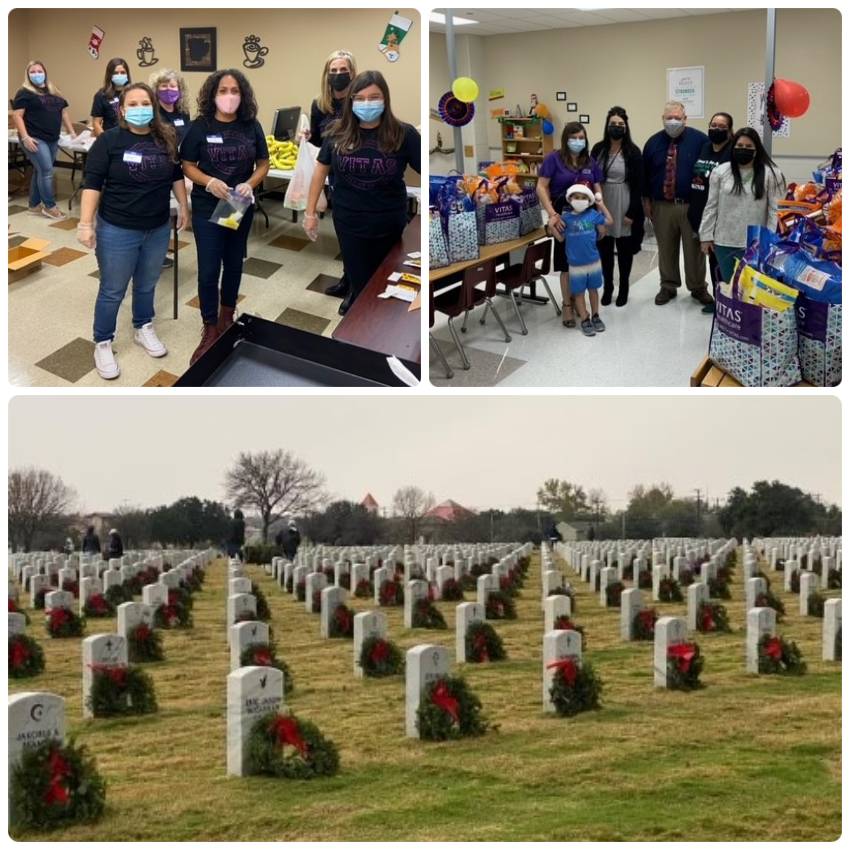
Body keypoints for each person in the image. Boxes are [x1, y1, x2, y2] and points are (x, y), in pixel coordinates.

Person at [77, 83, 189, 380]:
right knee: (113, 290)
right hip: (117, 229)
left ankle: (143, 326)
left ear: (153, 108)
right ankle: (102, 341)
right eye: (134, 104)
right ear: (123, 110)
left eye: (145, 103)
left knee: (147, 283)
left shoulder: (165, 138)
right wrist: (85, 223)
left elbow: (176, 174)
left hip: (156, 227)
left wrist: (184, 206)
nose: (141, 108)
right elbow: (92, 183)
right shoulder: (109, 141)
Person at [304, 70, 420, 315]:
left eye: (374, 97)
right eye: (360, 98)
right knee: (358, 277)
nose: (367, 103)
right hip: (349, 221)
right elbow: (320, 172)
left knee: (384, 280)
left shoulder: (404, 133)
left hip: (388, 222)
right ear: (351, 101)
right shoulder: (337, 133)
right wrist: (310, 212)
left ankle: (378, 326)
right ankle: (360, 320)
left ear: (385, 99)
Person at [181, 69, 270, 364]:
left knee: (233, 264)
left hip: (237, 204)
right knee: (208, 269)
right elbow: (187, 165)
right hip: (208, 205)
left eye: (234, 91)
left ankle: (227, 317)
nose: (229, 96)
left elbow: (263, 163)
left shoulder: (250, 125)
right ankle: (209, 327)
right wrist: (207, 181)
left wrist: (250, 183)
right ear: (212, 94)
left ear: (242, 96)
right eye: (223, 91)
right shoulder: (199, 127)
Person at [642, 101, 713, 307]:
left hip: (692, 205)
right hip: (662, 206)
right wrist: (646, 201)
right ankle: (668, 285)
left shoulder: (701, 141)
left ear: (685, 119)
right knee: (666, 248)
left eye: (677, 117)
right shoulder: (652, 143)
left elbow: (709, 172)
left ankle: (698, 287)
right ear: (662, 119)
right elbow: (646, 175)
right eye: (669, 118)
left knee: (695, 251)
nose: (673, 121)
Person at [536, 122, 603, 327]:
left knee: (584, 262)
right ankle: (567, 305)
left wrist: (601, 220)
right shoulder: (553, 159)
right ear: (565, 139)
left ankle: (581, 302)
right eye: (573, 138)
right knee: (566, 264)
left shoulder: (590, 162)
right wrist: (552, 214)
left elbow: (598, 192)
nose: (577, 141)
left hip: (586, 221)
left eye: (581, 138)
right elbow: (541, 186)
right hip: (563, 217)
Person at [699, 127, 785, 284]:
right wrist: (705, 236)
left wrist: (770, 240)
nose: (743, 150)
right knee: (728, 285)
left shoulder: (771, 174)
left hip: (756, 244)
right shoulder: (720, 172)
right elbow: (711, 206)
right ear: (733, 148)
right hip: (724, 241)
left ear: (756, 150)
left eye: (748, 147)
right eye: (739, 147)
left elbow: (775, 211)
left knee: (751, 288)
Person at [306, 49, 358, 299]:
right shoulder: (320, 105)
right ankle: (347, 279)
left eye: (343, 70)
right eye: (333, 71)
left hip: (359, 174)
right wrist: (307, 138)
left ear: (352, 72)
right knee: (344, 234)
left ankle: (357, 286)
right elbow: (318, 141)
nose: (338, 75)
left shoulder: (361, 100)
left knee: (358, 239)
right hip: (335, 178)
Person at [590, 106, 645, 307]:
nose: (616, 127)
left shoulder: (633, 151)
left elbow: (639, 184)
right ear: (607, 126)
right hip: (602, 201)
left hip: (624, 201)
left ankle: (623, 288)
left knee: (624, 250)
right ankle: (608, 288)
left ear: (626, 127)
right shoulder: (598, 149)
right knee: (605, 250)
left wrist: (632, 212)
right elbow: (591, 178)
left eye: (620, 124)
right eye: (613, 124)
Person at [12, 60, 76, 221]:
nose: (37, 74)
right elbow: (17, 116)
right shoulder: (24, 92)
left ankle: (34, 205)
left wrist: (72, 132)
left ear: (45, 72)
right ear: (27, 75)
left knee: (40, 170)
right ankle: (50, 207)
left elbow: (64, 113)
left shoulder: (54, 91)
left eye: (39, 71)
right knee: (47, 171)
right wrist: (25, 137)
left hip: (52, 138)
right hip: (34, 137)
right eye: (32, 72)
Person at [550, 184, 613, 337]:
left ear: (589, 200)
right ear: (570, 199)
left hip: (593, 262)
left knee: (594, 290)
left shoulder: (592, 214)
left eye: (584, 198)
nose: (580, 200)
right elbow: (560, 238)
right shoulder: (566, 218)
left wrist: (601, 205)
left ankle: (596, 315)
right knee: (578, 293)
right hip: (575, 265)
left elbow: (609, 221)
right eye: (576, 197)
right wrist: (552, 226)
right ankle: (585, 319)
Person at [689, 112, 734, 312]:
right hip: (701, 214)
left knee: (723, 262)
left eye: (721, 126)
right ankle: (718, 301)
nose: (716, 129)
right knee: (712, 260)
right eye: (713, 125)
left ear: (730, 130)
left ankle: (729, 305)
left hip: (722, 217)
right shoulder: (705, 147)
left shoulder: (732, 151)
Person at [149, 68, 191, 144]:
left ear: (179, 90)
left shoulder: (183, 112)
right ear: (156, 90)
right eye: (164, 86)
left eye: (172, 86)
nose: (168, 89)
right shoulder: (152, 113)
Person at [91, 57, 131, 137]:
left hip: (131, 137)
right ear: (110, 75)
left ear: (127, 74)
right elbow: (96, 123)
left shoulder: (133, 92)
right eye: (115, 73)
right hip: (111, 137)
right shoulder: (101, 95)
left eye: (123, 72)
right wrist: (105, 141)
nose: (119, 75)